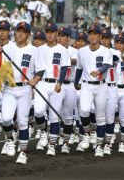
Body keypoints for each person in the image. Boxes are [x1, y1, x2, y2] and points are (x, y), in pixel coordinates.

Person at [0, 22, 46, 164]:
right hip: (9, 88)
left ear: (28, 35)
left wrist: (35, 79)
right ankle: (10, 139)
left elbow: (41, 69)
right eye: (18, 31)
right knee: (6, 119)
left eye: (23, 31)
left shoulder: (34, 50)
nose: (20, 33)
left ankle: (23, 153)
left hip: (25, 89)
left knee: (22, 121)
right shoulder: (7, 48)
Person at [74, 25, 112, 157]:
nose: (92, 36)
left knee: (100, 117)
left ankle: (99, 146)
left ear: (100, 36)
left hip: (101, 85)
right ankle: (87, 133)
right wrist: (76, 82)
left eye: (95, 34)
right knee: (84, 110)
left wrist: (99, 71)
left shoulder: (106, 51)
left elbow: (107, 65)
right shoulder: (82, 51)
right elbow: (79, 68)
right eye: (90, 33)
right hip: (86, 85)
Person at [33, 23, 70, 155]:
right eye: (47, 31)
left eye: (52, 32)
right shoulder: (39, 49)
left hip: (56, 84)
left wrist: (60, 82)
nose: (50, 34)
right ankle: (43, 131)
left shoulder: (62, 49)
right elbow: (39, 68)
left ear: (56, 34)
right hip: (42, 83)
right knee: (38, 111)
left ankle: (52, 145)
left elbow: (65, 67)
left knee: (54, 116)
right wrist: (35, 80)